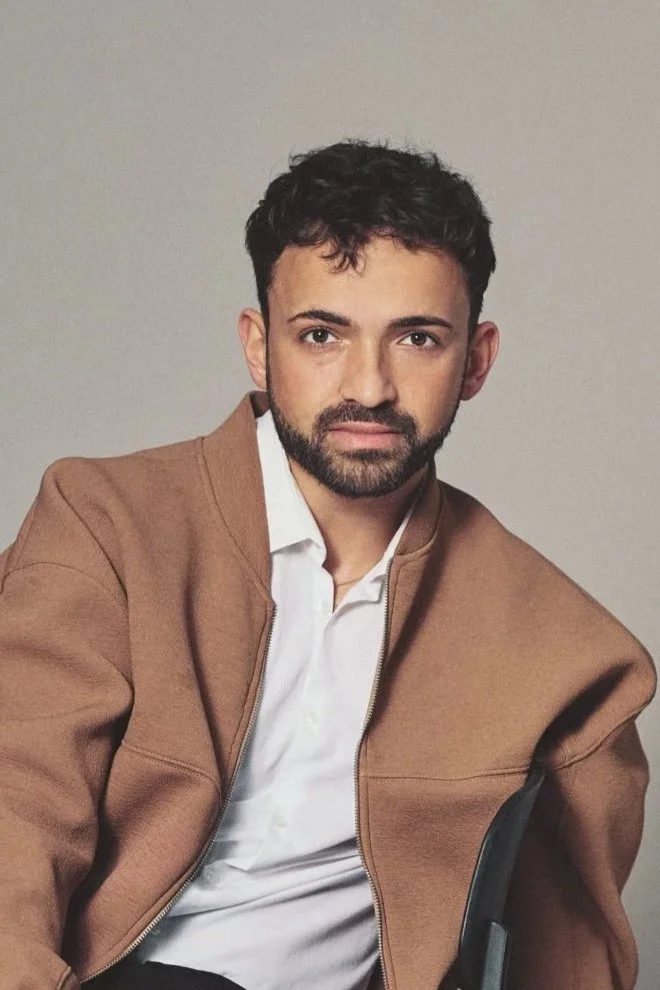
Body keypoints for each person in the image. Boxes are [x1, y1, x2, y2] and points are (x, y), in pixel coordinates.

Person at [0, 140, 655, 990]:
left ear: (476, 361)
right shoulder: (108, 523)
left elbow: (569, 958)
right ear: (258, 345)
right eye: (321, 335)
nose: (370, 386)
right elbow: (18, 808)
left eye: (417, 338)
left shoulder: (566, 655)